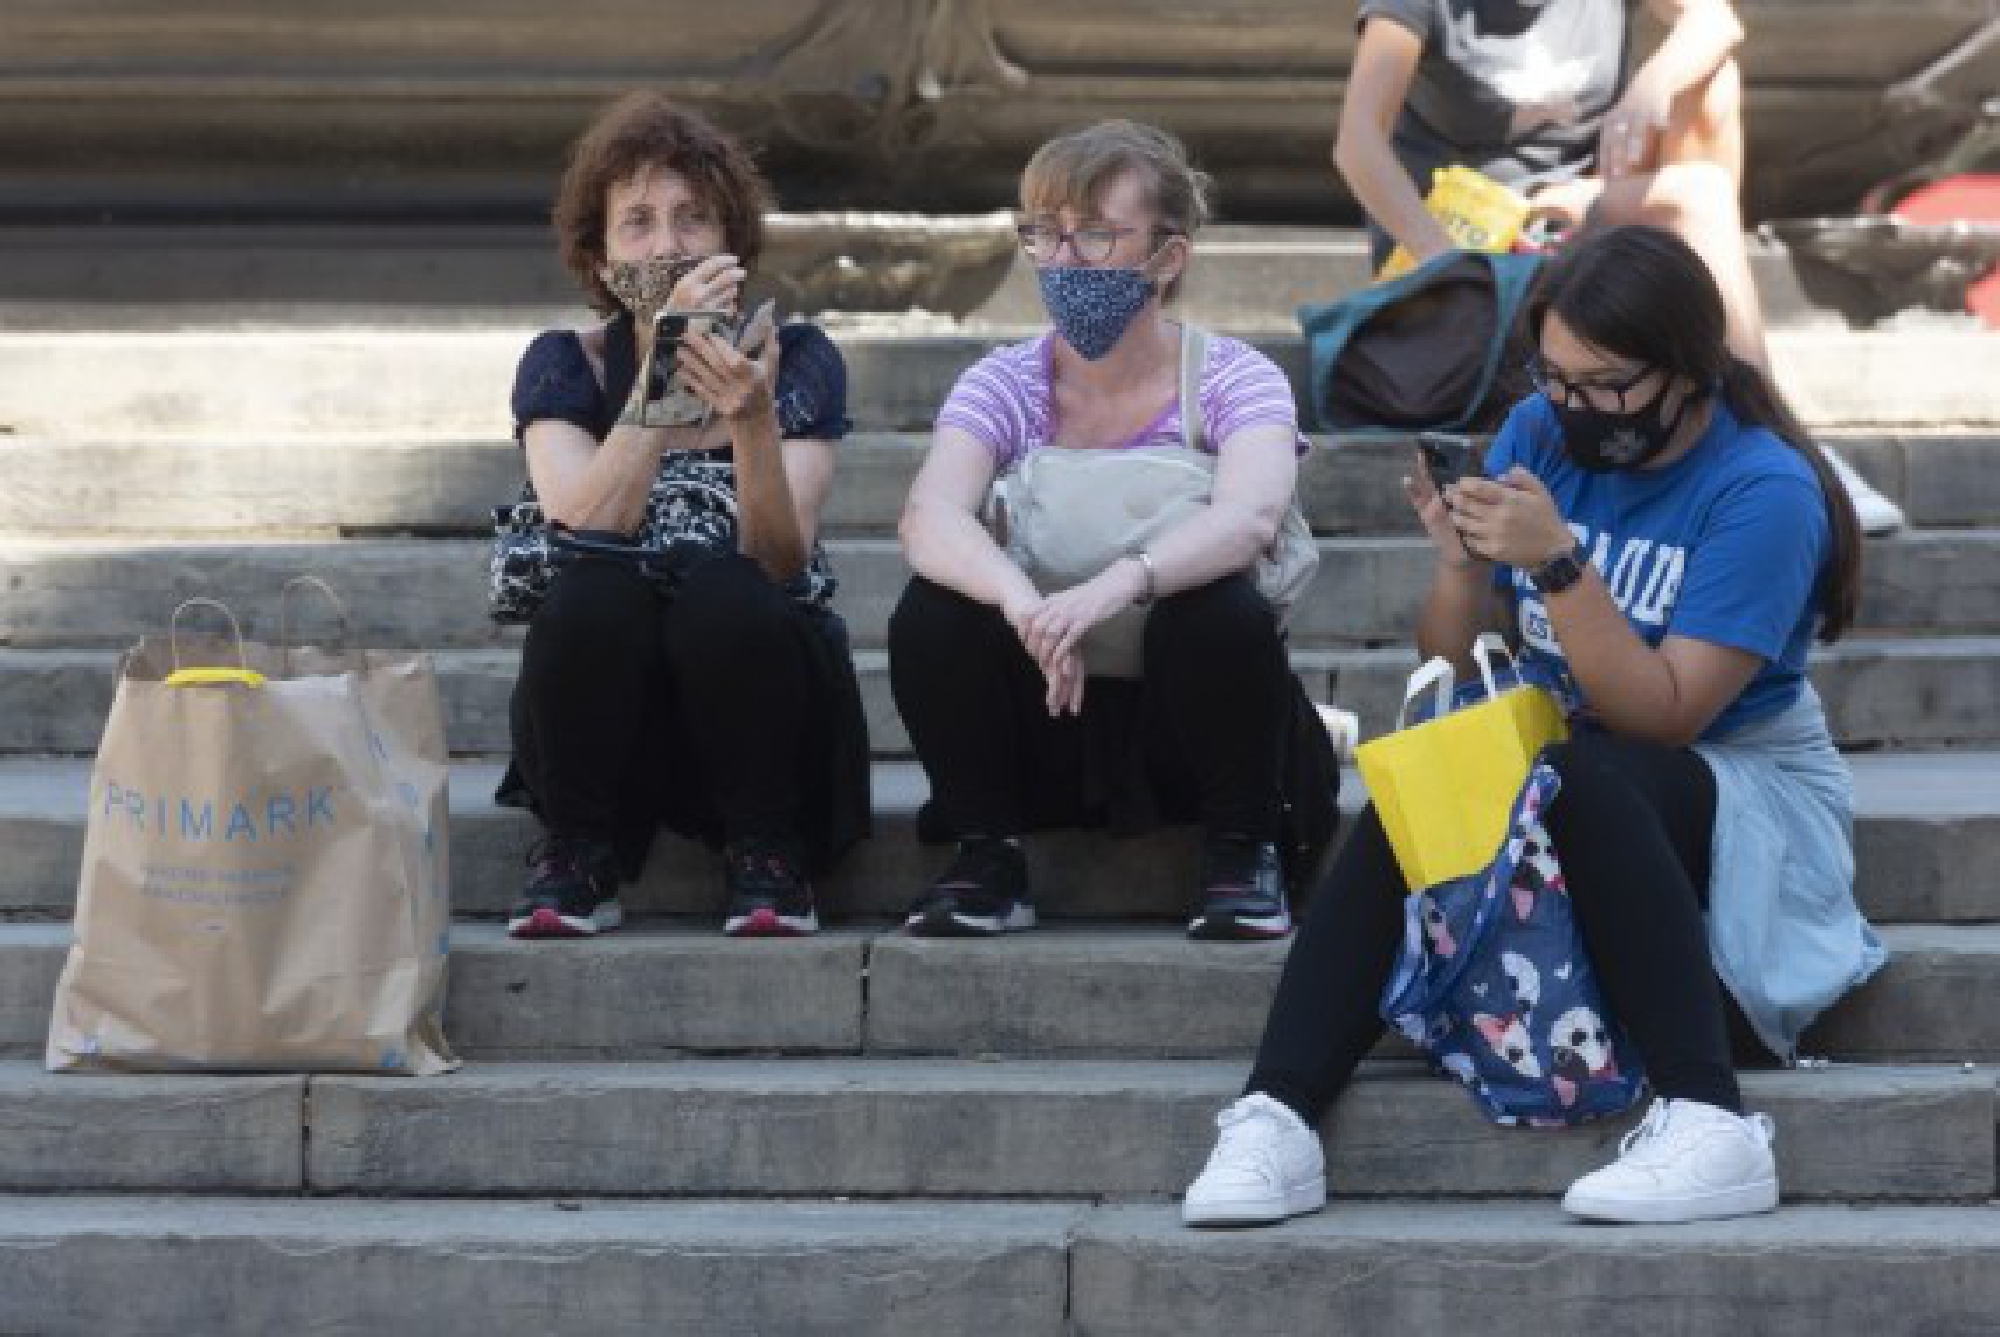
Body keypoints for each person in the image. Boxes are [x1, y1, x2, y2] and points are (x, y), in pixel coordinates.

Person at [1182, 224, 1886, 1227]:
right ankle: (1276, 1112)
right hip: (1567, 768)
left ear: (1684, 367)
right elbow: (1452, 658)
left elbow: (1665, 712)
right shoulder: (1538, 432)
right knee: (1437, 771)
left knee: (1573, 770)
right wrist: (1462, 564)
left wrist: (1558, 564)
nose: (1572, 406)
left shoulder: (1763, 490)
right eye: (1552, 376)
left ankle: (1710, 1120)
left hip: (1736, 789)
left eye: (1603, 382)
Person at [888, 120, 1339, 941]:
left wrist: (1115, 584)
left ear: (1167, 258)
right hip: (1050, 703)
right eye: (1043, 234)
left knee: (1221, 611)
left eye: (1095, 234)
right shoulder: (1003, 382)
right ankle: (987, 851)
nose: (1062, 260)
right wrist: (1025, 602)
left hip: (1191, 709)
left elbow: (1250, 518)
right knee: (932, 610)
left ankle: (1242, 851)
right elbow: (929, 515)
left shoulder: (1236, 377)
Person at [497, 92, 869, 940]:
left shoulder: (799, 358)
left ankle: (767, 854)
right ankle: (579, 853)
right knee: (593, 594)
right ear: (599, 254)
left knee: (726, 591)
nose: (668, 244)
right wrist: (661, 380)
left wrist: (750, 420)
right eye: (638, 222)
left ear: (730, 241)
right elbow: (585, 524)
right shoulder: (566, 366)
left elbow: (781, 558)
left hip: (760, 692)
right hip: (609, 710)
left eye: (693, 219)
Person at [1334, 0, 1906, 533]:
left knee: (1710, 80)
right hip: (1461, 236)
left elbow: (1715, 20)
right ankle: (1775, 435)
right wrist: (1453, 264)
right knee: (1699, 195)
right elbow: (1357, 144)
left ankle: (1759, 440)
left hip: (1573, 214)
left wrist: (1646, 92)